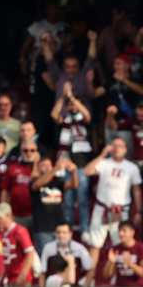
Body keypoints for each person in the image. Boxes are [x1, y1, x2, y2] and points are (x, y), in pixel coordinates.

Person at [82, 138, 143, 266]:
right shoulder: (104, 163)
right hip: (102, 208)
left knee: (120, 244)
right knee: (95, 244)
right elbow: (87, 171)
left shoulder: (131, 167)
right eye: (114, 146)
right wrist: (103, 154)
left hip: (121, 210)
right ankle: (90, 278)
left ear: (125, 149)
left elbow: (136, 190)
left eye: (120, 146)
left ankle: (117, 275)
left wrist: (138, 211)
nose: (117, 149)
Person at [51, 82, 92, 233]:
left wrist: (73, 98)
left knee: (82, 199)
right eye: (71, 105)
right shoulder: (65, 121)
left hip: (81, 164)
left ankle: (84, 229)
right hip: (64, 163)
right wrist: (63, 98)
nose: (73, 107)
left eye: (76, 105)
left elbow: (87, 115)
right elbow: (54, 115)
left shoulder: (83, 120)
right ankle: (67, 229)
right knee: (67, 200)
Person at [29, 156, 78, 255]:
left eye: (49, 165)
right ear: (38, 168)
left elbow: (74, 185)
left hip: (59, 227)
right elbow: (37, 185)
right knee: (45, 258)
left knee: (62, 258)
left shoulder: (58, 181)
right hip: (42, 228)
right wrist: (56, 168)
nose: (47, 167)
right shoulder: (34, 181)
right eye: (43, 165)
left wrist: (73, 172)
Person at [39, 223, 93, 287]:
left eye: (64, 233)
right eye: (58, 232)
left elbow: (90, 269)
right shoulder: (48, 248)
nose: (61, 235)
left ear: (70, 234)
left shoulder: (79, 248)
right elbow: (42, 272)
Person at [0, 140, 39, 229]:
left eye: (32, 150)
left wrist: (36, 163)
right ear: (20, 152)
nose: (29, 153)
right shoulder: (13, 167)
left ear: (37, 151)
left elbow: (36, 179)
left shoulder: (42, 167)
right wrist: (4, 210)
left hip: (36, 215)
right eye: (25, 150)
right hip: (15, 214)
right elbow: (5, 190)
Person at [103, 221, 143, 287]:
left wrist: (130, 264)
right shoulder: (115, 249)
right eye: (119, 231)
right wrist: (110, 262)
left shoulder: (141, 248)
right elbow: (106, 275)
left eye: (124, 231)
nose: (120, 234)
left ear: (132, 232)